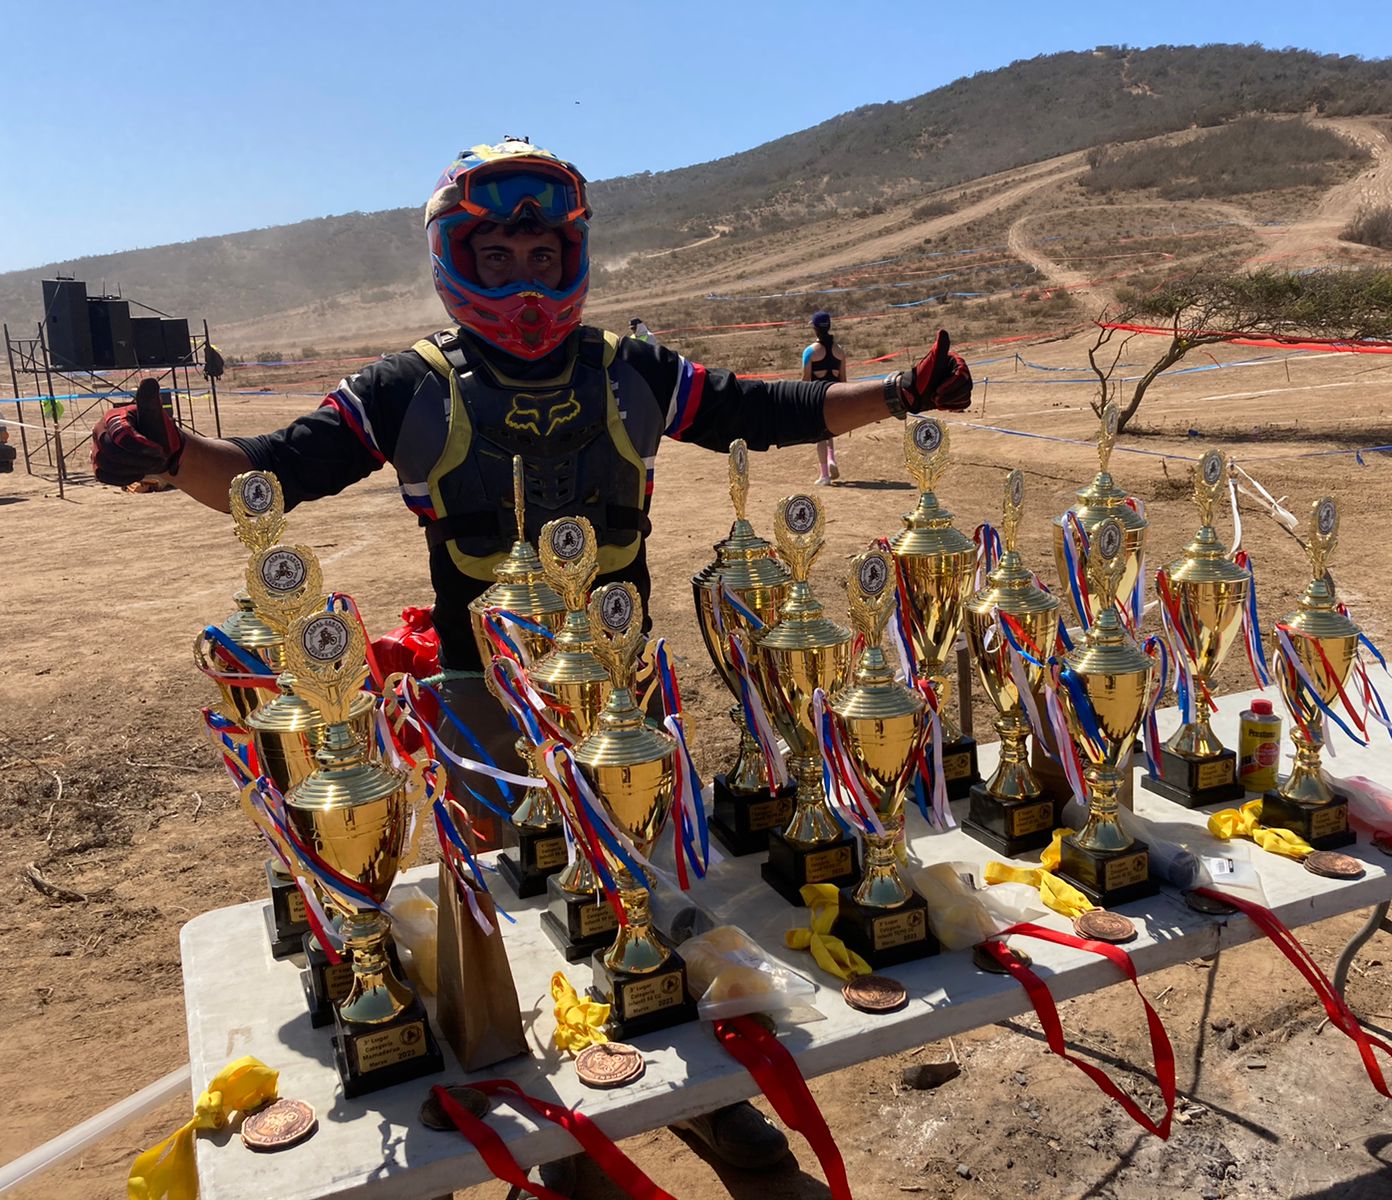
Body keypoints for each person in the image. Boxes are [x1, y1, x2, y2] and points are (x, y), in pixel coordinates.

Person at [91, 138, 972, 1192]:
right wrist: (171, 455)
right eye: (494, 258)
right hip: (480, 705)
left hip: (623, 697)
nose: (519, 280)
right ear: (455, 261)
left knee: (646, 892)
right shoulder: (406, 388)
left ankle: (709, 1098)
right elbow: (274, 475)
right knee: (517, 918)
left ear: (573, 259)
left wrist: (901, 391)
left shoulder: (631, 370)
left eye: (537, 256)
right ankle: (563, 1138)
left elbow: (762, 412)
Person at [801, 311, 844, 485]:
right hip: (835, 395)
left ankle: (824, 474)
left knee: (819, 435)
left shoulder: (810, 351)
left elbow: (805, 380)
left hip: (817, 398)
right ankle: (831, 458)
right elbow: (843, 380)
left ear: (815, 329)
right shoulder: (840, 351)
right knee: (830, 429)